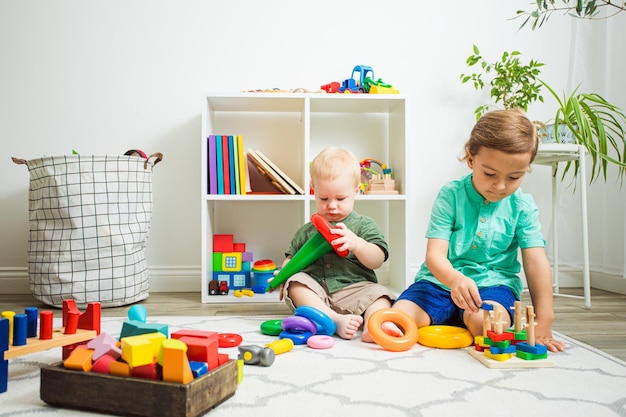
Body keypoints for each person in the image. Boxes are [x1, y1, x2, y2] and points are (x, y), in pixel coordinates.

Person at [384, 109, 565, 352]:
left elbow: (535, 262)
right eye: (490, 174)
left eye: (514, 177)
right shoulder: (450, 195)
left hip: (493, 287)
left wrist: (545, 320)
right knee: (396, 319)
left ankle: (463, 318)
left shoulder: (522, 206)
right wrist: (455, 279)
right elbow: (435, 255)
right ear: (471, 159)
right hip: (438, 282)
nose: (500, 186)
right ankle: (448, 314)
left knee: (485, 325)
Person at [272, 147, 396, 341]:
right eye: (324, 198)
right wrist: (283, 275)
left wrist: (357, 244)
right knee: (295, 283)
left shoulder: (364, 225)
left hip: (356, 289)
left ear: (356, 192)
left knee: (380, 295)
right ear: (314, 190)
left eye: (340, 198)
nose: (331, 205)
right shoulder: (306, 230)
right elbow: (291, 259)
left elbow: (377, 260)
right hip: (317, 293)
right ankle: (333, 319)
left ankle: (375, 325)